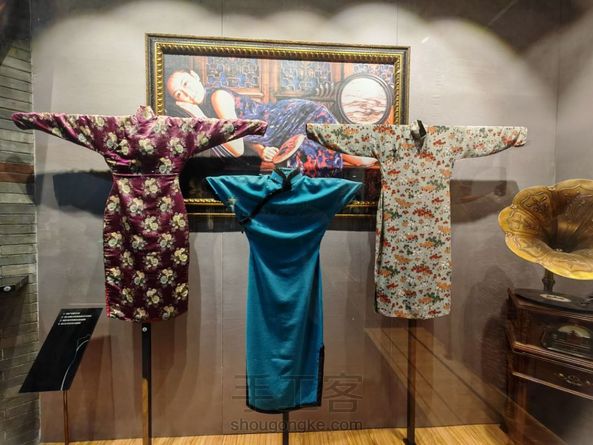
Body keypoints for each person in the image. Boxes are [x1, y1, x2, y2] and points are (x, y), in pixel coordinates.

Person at [166, 69, 377, 176]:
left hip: (293, 116)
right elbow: (245, 134)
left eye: (185, 83)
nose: (187, 93)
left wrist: (199, 117)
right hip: (278, 132)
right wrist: (260, 150)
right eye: (179, 93)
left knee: (357, 159)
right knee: (348, 157)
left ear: (194, 75)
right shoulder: (208, 109)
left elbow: (237, 147)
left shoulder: (216, 97)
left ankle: (376, 150)